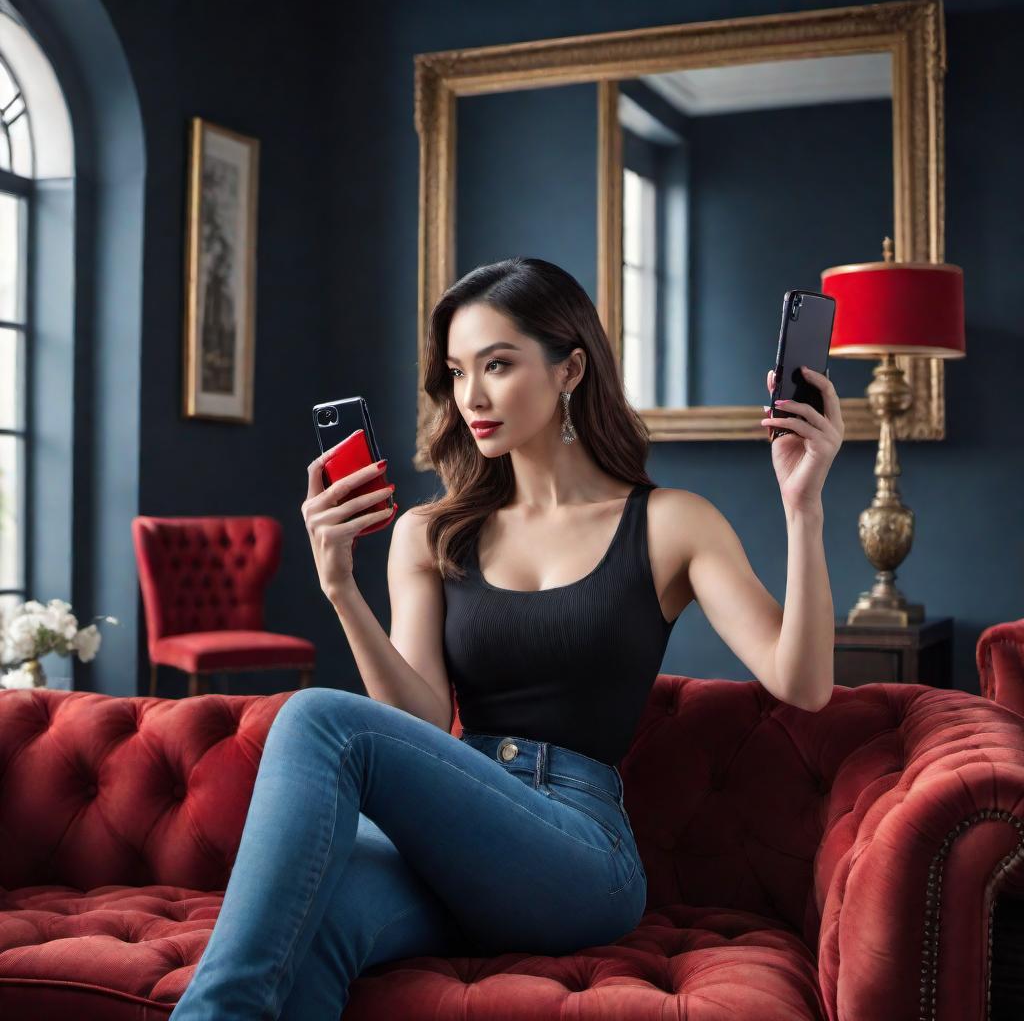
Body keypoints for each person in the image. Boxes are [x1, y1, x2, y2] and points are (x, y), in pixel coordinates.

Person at [170, 257, 843, 1020]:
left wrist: (804, 506)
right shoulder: (430, 533)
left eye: (497, 365)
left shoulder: (670, 524)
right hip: (450, 834)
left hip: (579, 854)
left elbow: (804, 683)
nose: (472, 398)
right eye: (457, 373)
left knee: (315, 716)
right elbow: (421, 726)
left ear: (571, 369)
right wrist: (339, 587)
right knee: (316, 930)